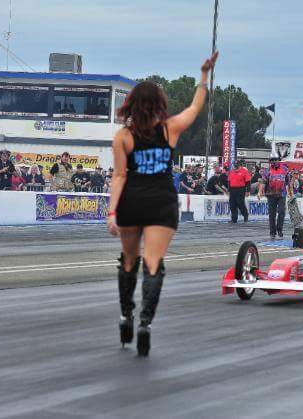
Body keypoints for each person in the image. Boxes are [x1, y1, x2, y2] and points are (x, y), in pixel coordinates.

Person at [106, 51, 219, 356]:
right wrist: (204, 75)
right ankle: (145, 322)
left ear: (131, 104)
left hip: (132, 201)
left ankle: (126, 315)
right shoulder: (169, 129)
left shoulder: (123, 136)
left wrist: (112, 212)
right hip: (162, 203)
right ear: (158, 105)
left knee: (128, 261)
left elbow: (119, 176)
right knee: (153, 264)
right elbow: (195, 107)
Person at [258, 157, 289, 239]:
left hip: (281, 194)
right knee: (272, 214)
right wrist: (259, 192)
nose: (274, 162)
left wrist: (290, 193)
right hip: (270, 194)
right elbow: (263, 182)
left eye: (275, 160)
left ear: (278, 161)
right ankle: (272, 232)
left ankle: (279, 229)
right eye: (272, 160)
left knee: (281, 211)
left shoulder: (285, 169)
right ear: (270, 162)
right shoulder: (267, 171)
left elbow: (288, 182)